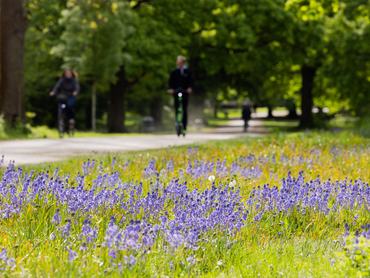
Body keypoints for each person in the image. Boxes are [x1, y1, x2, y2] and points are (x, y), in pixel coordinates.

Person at [168, 55, 193, 133]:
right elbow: (170, 82)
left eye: (180, 62)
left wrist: (189, 88)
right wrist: (171, 89)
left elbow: (191, 81)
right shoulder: (174, 72)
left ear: (183, 62)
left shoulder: (188, 72)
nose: (178, 63)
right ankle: (177, 123)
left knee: (184, 109)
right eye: (178, 62)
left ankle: (184, 126)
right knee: (177, 108)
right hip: (176, 92)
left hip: (185, 92)